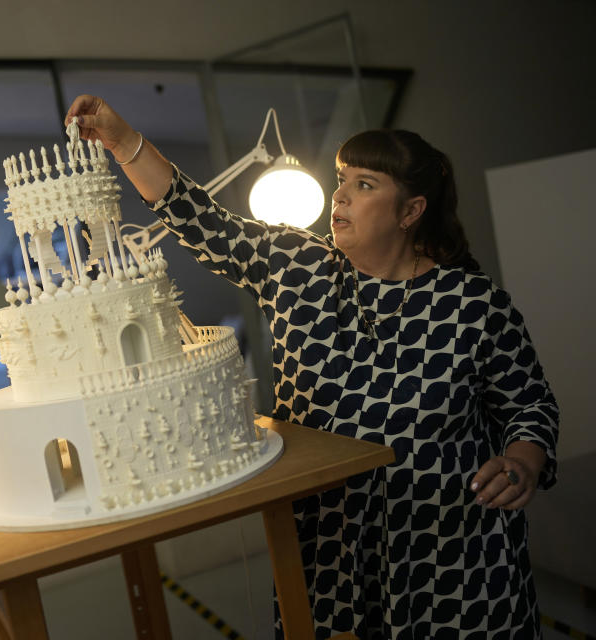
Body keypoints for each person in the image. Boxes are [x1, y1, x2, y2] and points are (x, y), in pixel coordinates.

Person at [65, 95, 559, 639]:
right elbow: (200, 220)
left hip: (452, 557)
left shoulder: (473, 304)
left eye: (365, 184)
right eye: (342, 178)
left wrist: (523, 460)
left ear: (411, 211)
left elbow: (531, 405)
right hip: (331, 548)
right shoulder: (299, 267)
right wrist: (122, 141)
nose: (340, 194)